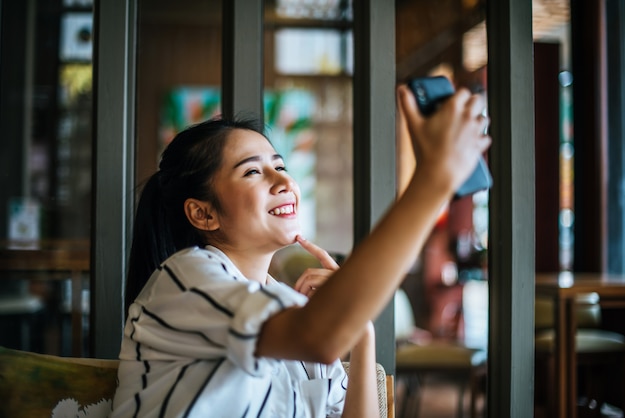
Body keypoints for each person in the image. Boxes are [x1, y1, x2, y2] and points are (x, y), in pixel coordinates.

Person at [111, 84, 491, 418]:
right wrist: (433, 181)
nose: (284, 181)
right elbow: (318, 340)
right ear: (203, 213)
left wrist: (359, 332)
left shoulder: (291, 308)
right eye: (252, 172)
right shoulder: (186, 278)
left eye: (280, 165)